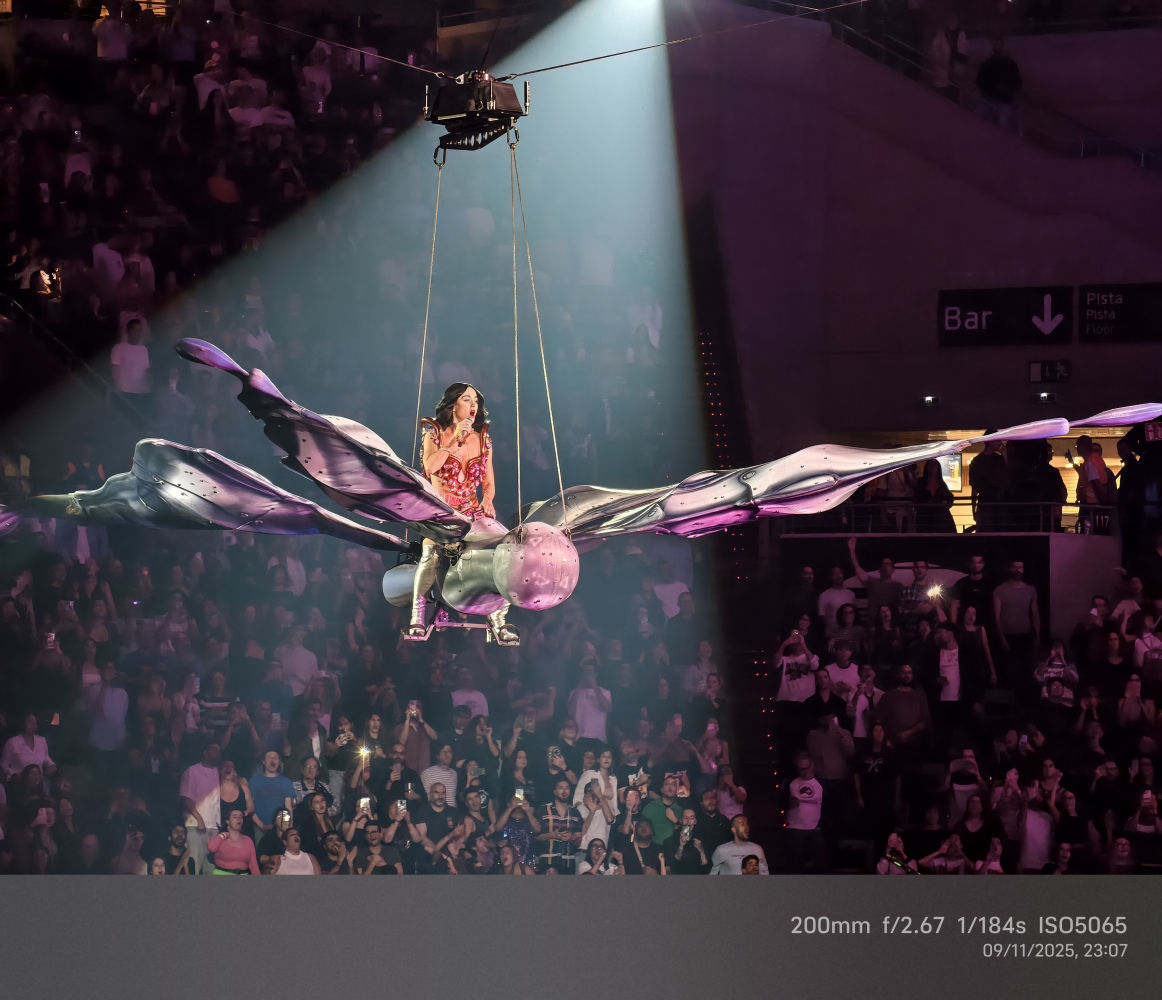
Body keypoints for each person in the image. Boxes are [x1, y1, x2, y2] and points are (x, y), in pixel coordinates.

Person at [407, 383, 517, 645]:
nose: (473, 406)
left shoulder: (483, 438)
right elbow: (431, 466)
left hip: (471, 510)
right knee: (430, 554)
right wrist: (456, 439)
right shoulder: (433, 434)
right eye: (467, 400)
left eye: (476, 401)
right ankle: (417, 617)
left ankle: (498, 619)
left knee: (503, 550)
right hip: (440, 511)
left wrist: (488, 499)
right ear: (452, 404)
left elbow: (488, 480)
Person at [208, 808, 260, 874]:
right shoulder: (221, 838)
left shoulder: (248, 840)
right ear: (228, 821)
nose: (238, 819)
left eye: (241, 817)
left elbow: (253, 865)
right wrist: (223, 835)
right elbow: (211, 848)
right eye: (234, 817)